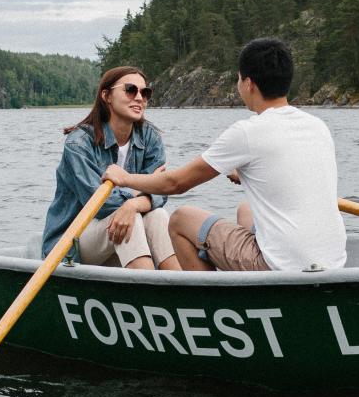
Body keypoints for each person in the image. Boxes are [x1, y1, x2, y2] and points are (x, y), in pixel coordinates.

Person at [104, 37, 346, 272]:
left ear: (249, 83)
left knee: (180, 219)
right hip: (333, 262)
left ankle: (209, 303)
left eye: (239, 79)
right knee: (245, 209)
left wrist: (125, 177)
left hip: (281, 265)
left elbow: (176, 183)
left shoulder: (248, 132)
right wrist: (246, 173)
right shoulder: (318, 126)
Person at [41, 65, 180, 270]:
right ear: (106, 95)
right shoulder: (79, 143)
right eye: (130, 90)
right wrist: (140, 191)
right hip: (72, 246)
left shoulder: (150, 136)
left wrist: (132, 204)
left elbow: (161, 193)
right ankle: (150, 292)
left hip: (118, 240)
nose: (139, 97)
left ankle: (178, 289)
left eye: (145, 92)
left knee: (157, 216)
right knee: (128, 219)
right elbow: (100, 205)